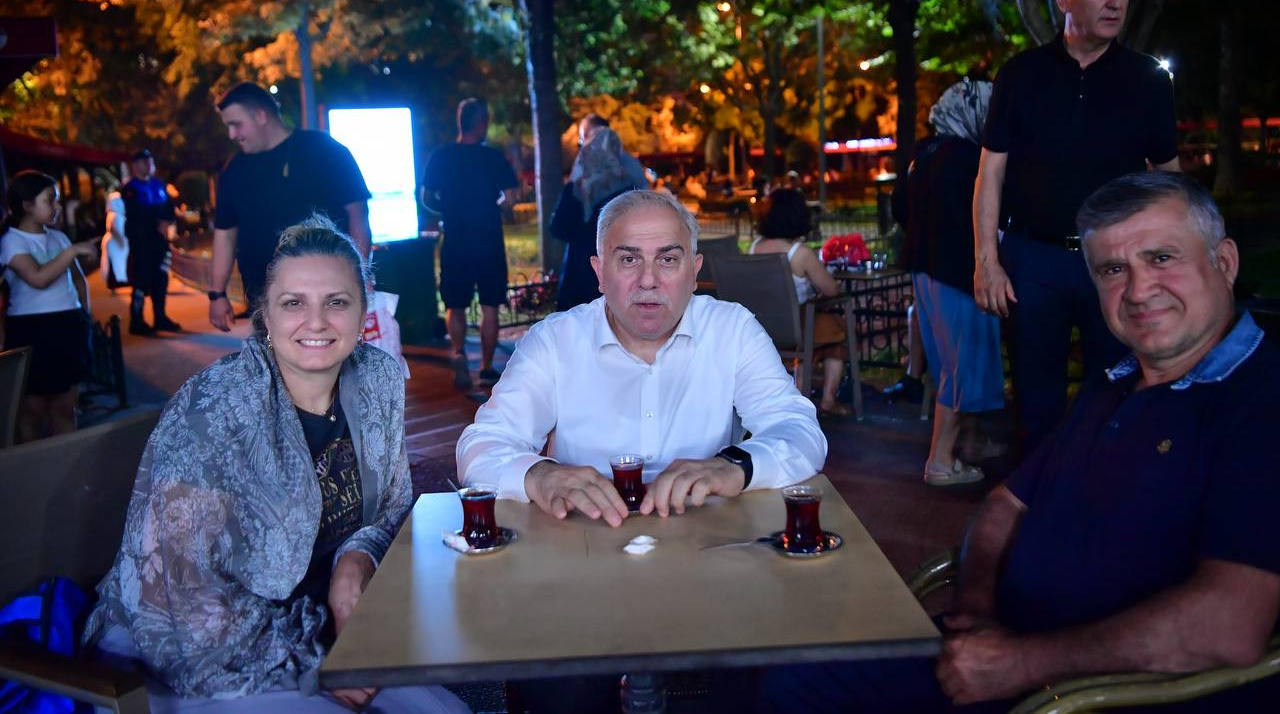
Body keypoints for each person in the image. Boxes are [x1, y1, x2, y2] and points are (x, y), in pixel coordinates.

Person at [760, 172, 1280, 712]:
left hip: (1091, 694)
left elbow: (1230, 624)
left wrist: (1021, 663)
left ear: (1225, 262)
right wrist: (977, 608)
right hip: (1003, 651)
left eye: (1162, 258)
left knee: (791, 689)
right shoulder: (1115, 384)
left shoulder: (1259, 401)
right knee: (779, 669)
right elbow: (1004, 506)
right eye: (1113, 269)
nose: (1139, 288)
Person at [83, 215, 466, 713]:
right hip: (189, 655)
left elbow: (392, 508)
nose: (317, 322)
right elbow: (189, 608)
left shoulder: (379, 379)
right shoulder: (212, 414)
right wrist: (317, 658)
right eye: (293, 303)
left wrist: (356, 561)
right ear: (264, 313)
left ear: (363, 309)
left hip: (318, 622)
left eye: (337, 302)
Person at [457, 189, 826, 524]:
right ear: (600, 272)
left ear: (694, 272)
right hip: (584, 544)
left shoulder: (733, 331)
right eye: (629, 259)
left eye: (668, 259)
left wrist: (735, 466)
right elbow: (481, 446)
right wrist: (539, 475)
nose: (648, 280)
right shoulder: (554, 341)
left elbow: (800, 431)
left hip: (707, 542)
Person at [974, 0, 1181, 453]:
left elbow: (1169, 179)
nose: (1116, 2)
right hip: (1034, 259)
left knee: (1115, 394)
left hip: (1115, 261)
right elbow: (990, 174)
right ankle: (1041, 495)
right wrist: (986, 261)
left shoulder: (1147, 79)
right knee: (1035, 403)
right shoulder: (1021, 75)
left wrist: (1173, 257)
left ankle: (1108, 495)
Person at [900, 80, 1006, 486]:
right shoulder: (969, 158)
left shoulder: (924, 153)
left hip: (925, 268)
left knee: (949, 363)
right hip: (960, 272)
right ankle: (940, 461)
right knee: (964, 366)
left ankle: (971, 443)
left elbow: (899, 207)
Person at [210, 82, 372, 330]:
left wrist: (361, 276)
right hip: (265, 306)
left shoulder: (325, 151)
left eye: (236, 124)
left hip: (328, 298)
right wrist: (217, 294)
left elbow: (358, 216)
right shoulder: (234, 170)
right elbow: (225, 235)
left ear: (261, 115)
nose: (232, 134)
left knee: (330, 354)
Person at [420, 98, 518, 389]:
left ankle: (459, 352)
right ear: (482, 123)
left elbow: (427, 197)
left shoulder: (441, 156)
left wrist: (447, 210)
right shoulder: (492, 157)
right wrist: (495, 207)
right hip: (488, 239)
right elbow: (511, 196)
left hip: (456, 238)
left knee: (455, 303)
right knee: (490, 305)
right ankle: (486, 367)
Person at [0, 171, 97, 441]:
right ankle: (36, 463)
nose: (57, 206)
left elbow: (77, 279)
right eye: (50, 200)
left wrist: (85, 314)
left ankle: (69, 463)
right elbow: (38, 278)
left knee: (65, 407)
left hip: (69, 324)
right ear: (27, 205)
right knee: (32, 410)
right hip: (33, 329)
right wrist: (72, 251)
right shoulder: (11, 241)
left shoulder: (58, 237)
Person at [748, 188, 851, 416]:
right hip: (797, 328)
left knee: (821, 328)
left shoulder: (754, 247)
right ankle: (828, 399)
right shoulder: (800, 252)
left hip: (759, 328)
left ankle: (798, 396)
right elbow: (831, 289)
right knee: (836, 331)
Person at [549, 113, 647, 312]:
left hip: (579, 275)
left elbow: (558, 229)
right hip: (619, 275)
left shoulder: (578, 188)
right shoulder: (628, 188)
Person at [120, 149, 181, 335]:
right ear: (135, 166)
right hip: (142, 243)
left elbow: (169, 208)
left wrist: (167, 221)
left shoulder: (159, 184)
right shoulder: (130, 188)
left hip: (160, 241)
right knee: (141, 282)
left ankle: (160, 317)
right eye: (144, 162)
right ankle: (137, 321)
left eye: (150, 161)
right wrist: (157, 222)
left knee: (161, 279)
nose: (149, 165)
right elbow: (136, 214)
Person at [100, 188, 129, 293]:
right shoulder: (113, 215)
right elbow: (111, 228)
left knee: (119, 263)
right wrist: (119, 240)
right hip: (115, 243)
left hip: (118, 242)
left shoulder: (117, 214)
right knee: (115, 263)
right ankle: (114, 284)